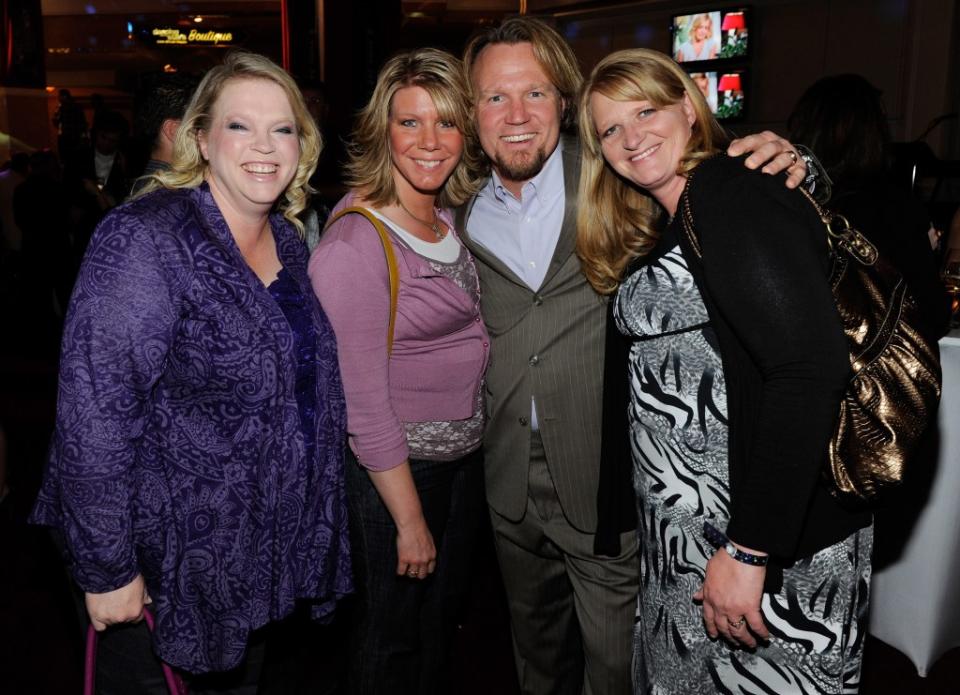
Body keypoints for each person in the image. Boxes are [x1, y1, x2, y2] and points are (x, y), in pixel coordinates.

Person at [455, 16, 811, 695]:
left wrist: (790, 161)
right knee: (534, 656)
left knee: (618, 667)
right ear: (472, 114)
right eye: (495, 98)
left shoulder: (618, 172)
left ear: (564, 99)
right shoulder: (461, 208)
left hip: (605, 471)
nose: (517, 114)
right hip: (505, 475)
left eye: (534, 92)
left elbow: (717, 186)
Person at [29, 51, 352, 692]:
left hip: (243, 559)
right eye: (240, 126)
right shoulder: (145, 239)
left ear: (302, 143)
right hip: (157, 564)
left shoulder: (284, 237)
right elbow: (93, 411)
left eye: (282, 128)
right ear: (198, 138)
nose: (264, 146)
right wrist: (108, 568)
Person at [577, 48, 874, 694]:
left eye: (646, 110)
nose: (631, 137)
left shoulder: (728, 191)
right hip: (696, 551)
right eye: (610, 129)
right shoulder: (674, 216)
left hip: (763, 550)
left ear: (689, 106)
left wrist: (749, 549)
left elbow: (807, 369)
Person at [308, 48, 488, 694]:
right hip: (398, 476)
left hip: (461, 463)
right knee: (389, 640)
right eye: (410, 123)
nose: (430, 141)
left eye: (446, 122)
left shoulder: (441, 215)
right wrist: (409, 520)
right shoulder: (356, 244)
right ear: (382, 131)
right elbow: (364, 402)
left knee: (438, 627)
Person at [788, 74, 950, 337]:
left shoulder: (788, 200)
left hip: (803, 358)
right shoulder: (893, 206)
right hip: (865, 367)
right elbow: (932, 313)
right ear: (875, 133)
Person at [130, 73, 200, 194]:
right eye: (201, 124)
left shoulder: (152, 189)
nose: (209, 133)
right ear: (173, 130)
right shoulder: (168, 197)